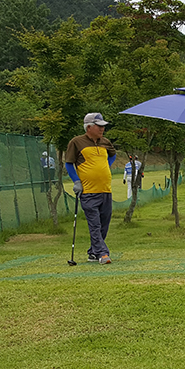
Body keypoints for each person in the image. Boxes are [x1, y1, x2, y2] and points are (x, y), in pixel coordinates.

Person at [65, 112, 117, 264]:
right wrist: (76, 181)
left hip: (106, 190)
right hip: (88, 192)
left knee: (104, 223)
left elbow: (113, 155)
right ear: (89, 127)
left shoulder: (105, 142)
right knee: (95, 224)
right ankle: (103, 253)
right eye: (99, 126)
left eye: (103, 126)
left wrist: (106, 166)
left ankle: (93, 253)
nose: (102, 129)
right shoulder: (76, 142)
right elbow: (69, 163)